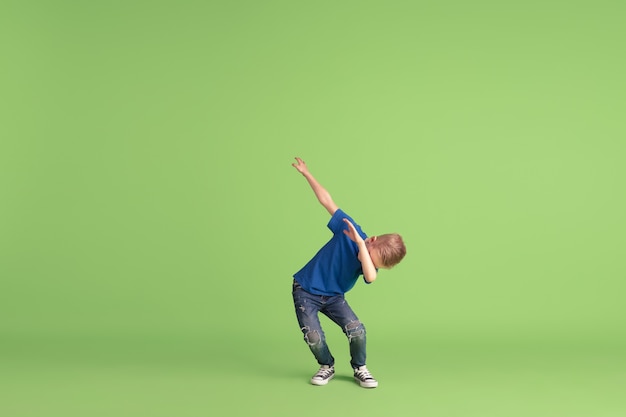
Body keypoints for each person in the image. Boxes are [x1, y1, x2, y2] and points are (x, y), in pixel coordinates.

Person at [291, 157, 406, 388]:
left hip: (334, 297)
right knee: (313, 337)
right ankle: (326, 365)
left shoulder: (368, 259)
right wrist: (307, 173)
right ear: (372, 239)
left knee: (358, 331)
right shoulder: (348, 228)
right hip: (306, 289)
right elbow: (327, 201)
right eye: (370, 257)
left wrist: (363, 248)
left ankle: (360, 368)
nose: (368, 264)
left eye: (373, 263)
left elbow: (370, 276)